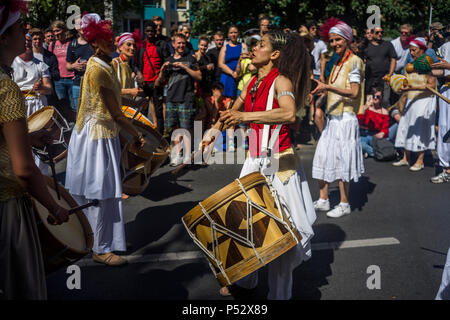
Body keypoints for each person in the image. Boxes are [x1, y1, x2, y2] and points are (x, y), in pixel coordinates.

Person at [202, 29, 316, 300]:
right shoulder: (251, 81)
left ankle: (280, 295)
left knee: (280, 236)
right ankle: (248, 280)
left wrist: (246, 115)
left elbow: (288, 112)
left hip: (280, 163)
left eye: (260, 45)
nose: (253, 49)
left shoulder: (281, 81)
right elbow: (234, 110)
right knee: (247, 224)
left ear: (274, 55)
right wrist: (214, 131)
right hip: (255, 160)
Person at [64, 13, 146, 266]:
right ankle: (100, 248)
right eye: (105, 39)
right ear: (94, 44)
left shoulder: (103, 63)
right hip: (95, 137)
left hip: (99, 133)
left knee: (105, 191)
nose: (111, 42)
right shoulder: (98, 68)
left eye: (111, 38)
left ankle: (108, 240)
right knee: (99, 192)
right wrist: (137, 133)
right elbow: (116, 113)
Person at [0, 0, 69, 300]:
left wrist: (28, 139)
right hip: (7, 206)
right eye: (19, 27)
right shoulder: (6, 88)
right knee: (20, 284)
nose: (26, 31)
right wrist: (53, 207)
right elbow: (25, 170)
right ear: (2, 38)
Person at [310, 17, 365, 218]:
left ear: (347, 39)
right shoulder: (337, 62)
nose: (334, 44)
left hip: (346, 119)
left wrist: (327, 87)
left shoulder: (355, 62)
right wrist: (319, 92)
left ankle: (344, 203)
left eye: (338, 40)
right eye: (331, 40)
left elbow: (353, 92)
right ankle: (324, 200)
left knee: (343, 161)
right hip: (333, 119)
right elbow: (333, 89)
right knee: (323, 156)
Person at [155, 33, 201, 166]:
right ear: (173, 44)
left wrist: (185, 67)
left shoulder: (191, 59)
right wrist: (163, 69)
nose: (181, 45)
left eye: (183, 43)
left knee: (185, 128)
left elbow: (199, 77)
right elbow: (159, 82)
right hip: (171, 98)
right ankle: (176, 155)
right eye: (178, 43)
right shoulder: (168, 60)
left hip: (186, 98)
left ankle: (187, 155)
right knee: (173, 128)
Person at [393, 37, 437, 172]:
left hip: (424, 101)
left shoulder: (428, 65)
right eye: (410, 50)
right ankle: (406, 158)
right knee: (406, 127)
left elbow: (431, 86)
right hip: (411, 100)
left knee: (420, 130)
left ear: (422, 50)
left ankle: (420, 160)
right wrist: (398, 85)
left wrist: (412, 88)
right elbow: (405, 83)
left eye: (414, 50)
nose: (411, 53)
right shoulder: (410, 66)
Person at [135, 20, 170, 135]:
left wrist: (161, 78)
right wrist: (139, 74)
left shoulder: (162, 44)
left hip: (157, 83)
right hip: (144, 84)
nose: (150, 33)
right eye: (148, 31)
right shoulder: (141, 46)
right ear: (145, 31)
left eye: (152, 31)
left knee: (159, 112)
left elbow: (167, 62)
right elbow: (134, 64)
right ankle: (142, 135)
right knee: (143, 110)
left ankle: (160, 137)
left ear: (155, 32)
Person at [429, 42, 450, 183]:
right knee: (444, 129)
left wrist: (448, 66)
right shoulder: (446, 46)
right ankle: (446, 168)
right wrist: (426, 70)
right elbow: (443, 72)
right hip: (447, 89)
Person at [65, 15, 94, 112]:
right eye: (79, 24)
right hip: (78, 84)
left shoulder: (93, 43)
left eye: (83, 23)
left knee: (93, 112)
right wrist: (74, 66)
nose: (82, 26)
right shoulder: (73, 45)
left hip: (93, 84)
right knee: (79, 113)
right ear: (75, 27)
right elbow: (67, 65)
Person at [48, 20, 75, 120]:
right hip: (59, 80)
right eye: (54, 31)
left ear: (63, 30)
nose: (55, 33)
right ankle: (65, 124)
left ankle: (74, 126)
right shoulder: (53, 44)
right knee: (62, 104)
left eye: (57, 31)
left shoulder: (71, 43)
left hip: (72, 78)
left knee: (73, 104)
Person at [363, 26, 397, 107]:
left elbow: (393, 59)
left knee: (385, 101)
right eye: (377, 32)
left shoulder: (388, 45)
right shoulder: (366, 47)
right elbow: (363, 61)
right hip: (371, 79)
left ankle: (385, 118)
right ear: (372, 34)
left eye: (381, 32)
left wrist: (390, 74)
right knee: (370, 102)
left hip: (385, 79)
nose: (380, 34)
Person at [358, 87, 389, 158]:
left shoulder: (384, 111)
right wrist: (365, 109)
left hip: (375, 135)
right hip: (364, 133)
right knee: (359, 144)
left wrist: (383, 132)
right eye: (373, 96)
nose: (375, 98)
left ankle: (368, 152)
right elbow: (359, 122)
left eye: (377, 96)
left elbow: (385, 129)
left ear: (381, 98)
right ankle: (377, 154)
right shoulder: (365, 108)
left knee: (382, 143)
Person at [112, 31, 144, 100]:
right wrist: (130, 91)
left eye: (134, 45)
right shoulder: (115, 63)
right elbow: (110, 90)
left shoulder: (128, 66)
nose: (132, 48)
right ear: (120, 47)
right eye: (128, 44)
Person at [219, 25, 247, 99]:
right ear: (228, 34)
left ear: (238, 34)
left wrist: (238, 74)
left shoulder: (243, 46)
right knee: (226, 101)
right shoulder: (224, 48)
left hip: (240, 77)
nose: (233, 34)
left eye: (235, 32)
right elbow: (221, 64)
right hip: (227, 77)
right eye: (231, 33)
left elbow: (245, 60)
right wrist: (232, 73)